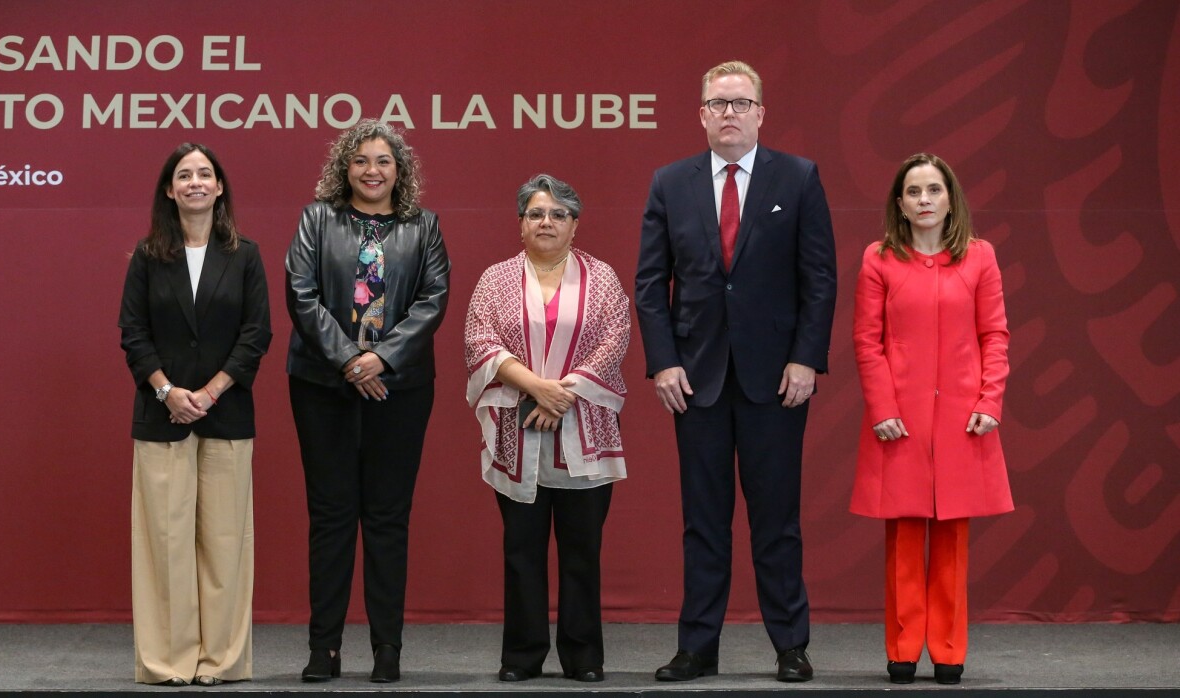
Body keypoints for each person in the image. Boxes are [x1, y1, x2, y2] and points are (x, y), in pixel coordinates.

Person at [634, 60, 837, 683]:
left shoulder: (798, 177)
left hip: (775, 380)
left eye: (740, 102)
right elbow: (650, 285)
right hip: (695, 382)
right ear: (700, 114)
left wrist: (806, 358)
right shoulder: (671, 182)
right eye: (717, 103)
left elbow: (820, 280)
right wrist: (663, 363)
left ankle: (790, 646)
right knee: (703, 521)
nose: (728, 113)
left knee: (777, 520)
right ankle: (698, 648)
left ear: (759, 113)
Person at [285, 119, 450, 684]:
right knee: (330, 518)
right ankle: (323, 649)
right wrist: (349, 362)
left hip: (399, 389)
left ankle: (387, 650)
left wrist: (381, 359)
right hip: (321, 385)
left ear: (398, 170)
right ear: (344, 168)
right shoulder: (316, 219)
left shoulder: (423, 226)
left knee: (386, 519)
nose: (371, 170)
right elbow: (300, 294)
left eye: (383, 161)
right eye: (360, 160)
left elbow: (433, 299)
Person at [850, 153, 1012, 686]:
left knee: (952, 537)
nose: (924, 200)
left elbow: (995, 335)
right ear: (899, 203)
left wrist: (990, 400)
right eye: (914, 191)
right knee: (904, 535)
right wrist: (884, 409)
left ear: (950, 199)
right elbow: (866, 343)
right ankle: (901, 650)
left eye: (933, 190)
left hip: (963, 416)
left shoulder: (980, 257)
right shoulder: (879, 259)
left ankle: (947, 651)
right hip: (900, 418)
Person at [464, 174, 630, 684]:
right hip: (519, 432)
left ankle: (583, 657)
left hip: (584, 429)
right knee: (521, 552)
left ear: (575, 225)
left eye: (558, 214)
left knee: (582, 552)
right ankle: (522, 656)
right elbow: (481, 341)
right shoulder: (495, 280)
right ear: (521, 224)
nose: (547, 222)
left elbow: (615, 339)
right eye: (536, 213)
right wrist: (538, 388)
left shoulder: (603, 279)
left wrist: (562, 396)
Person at [118, 143, 271, 687]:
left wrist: (210, 391)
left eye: (205, 174)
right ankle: (168, 662)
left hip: (226, 415)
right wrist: (167, 391)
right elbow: (132, 334)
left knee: (227, 544)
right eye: (185, 175)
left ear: (220, 186)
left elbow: (257, 335)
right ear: (169, 189)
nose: (196, 182)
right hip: (161, 417)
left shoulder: (245, 254)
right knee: (165, 542)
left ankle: (222, 661)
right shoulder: (146, 255)